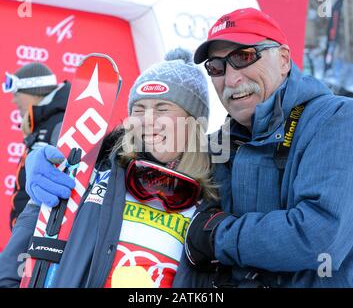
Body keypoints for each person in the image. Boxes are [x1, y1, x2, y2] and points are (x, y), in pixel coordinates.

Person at [0, 48, 217, 288]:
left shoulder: (216, 191)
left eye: (163, 108)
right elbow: (25, 244)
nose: (147, 120)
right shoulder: (95, 170)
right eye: (139, 109)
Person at [178, 7, 353, 288]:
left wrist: (217, 236)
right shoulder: (217, 144)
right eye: (216, 66)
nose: (231, 78)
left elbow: (319, 238)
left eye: (243, 56)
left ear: (284, 60)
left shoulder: (337, 119)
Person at [2, 63, 70, 229]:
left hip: (38, 229)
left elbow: (62, 178)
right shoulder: (44, 121)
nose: (13, 99)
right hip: (29, 224)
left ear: (34, 91)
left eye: (17, 93)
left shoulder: (60, 123)